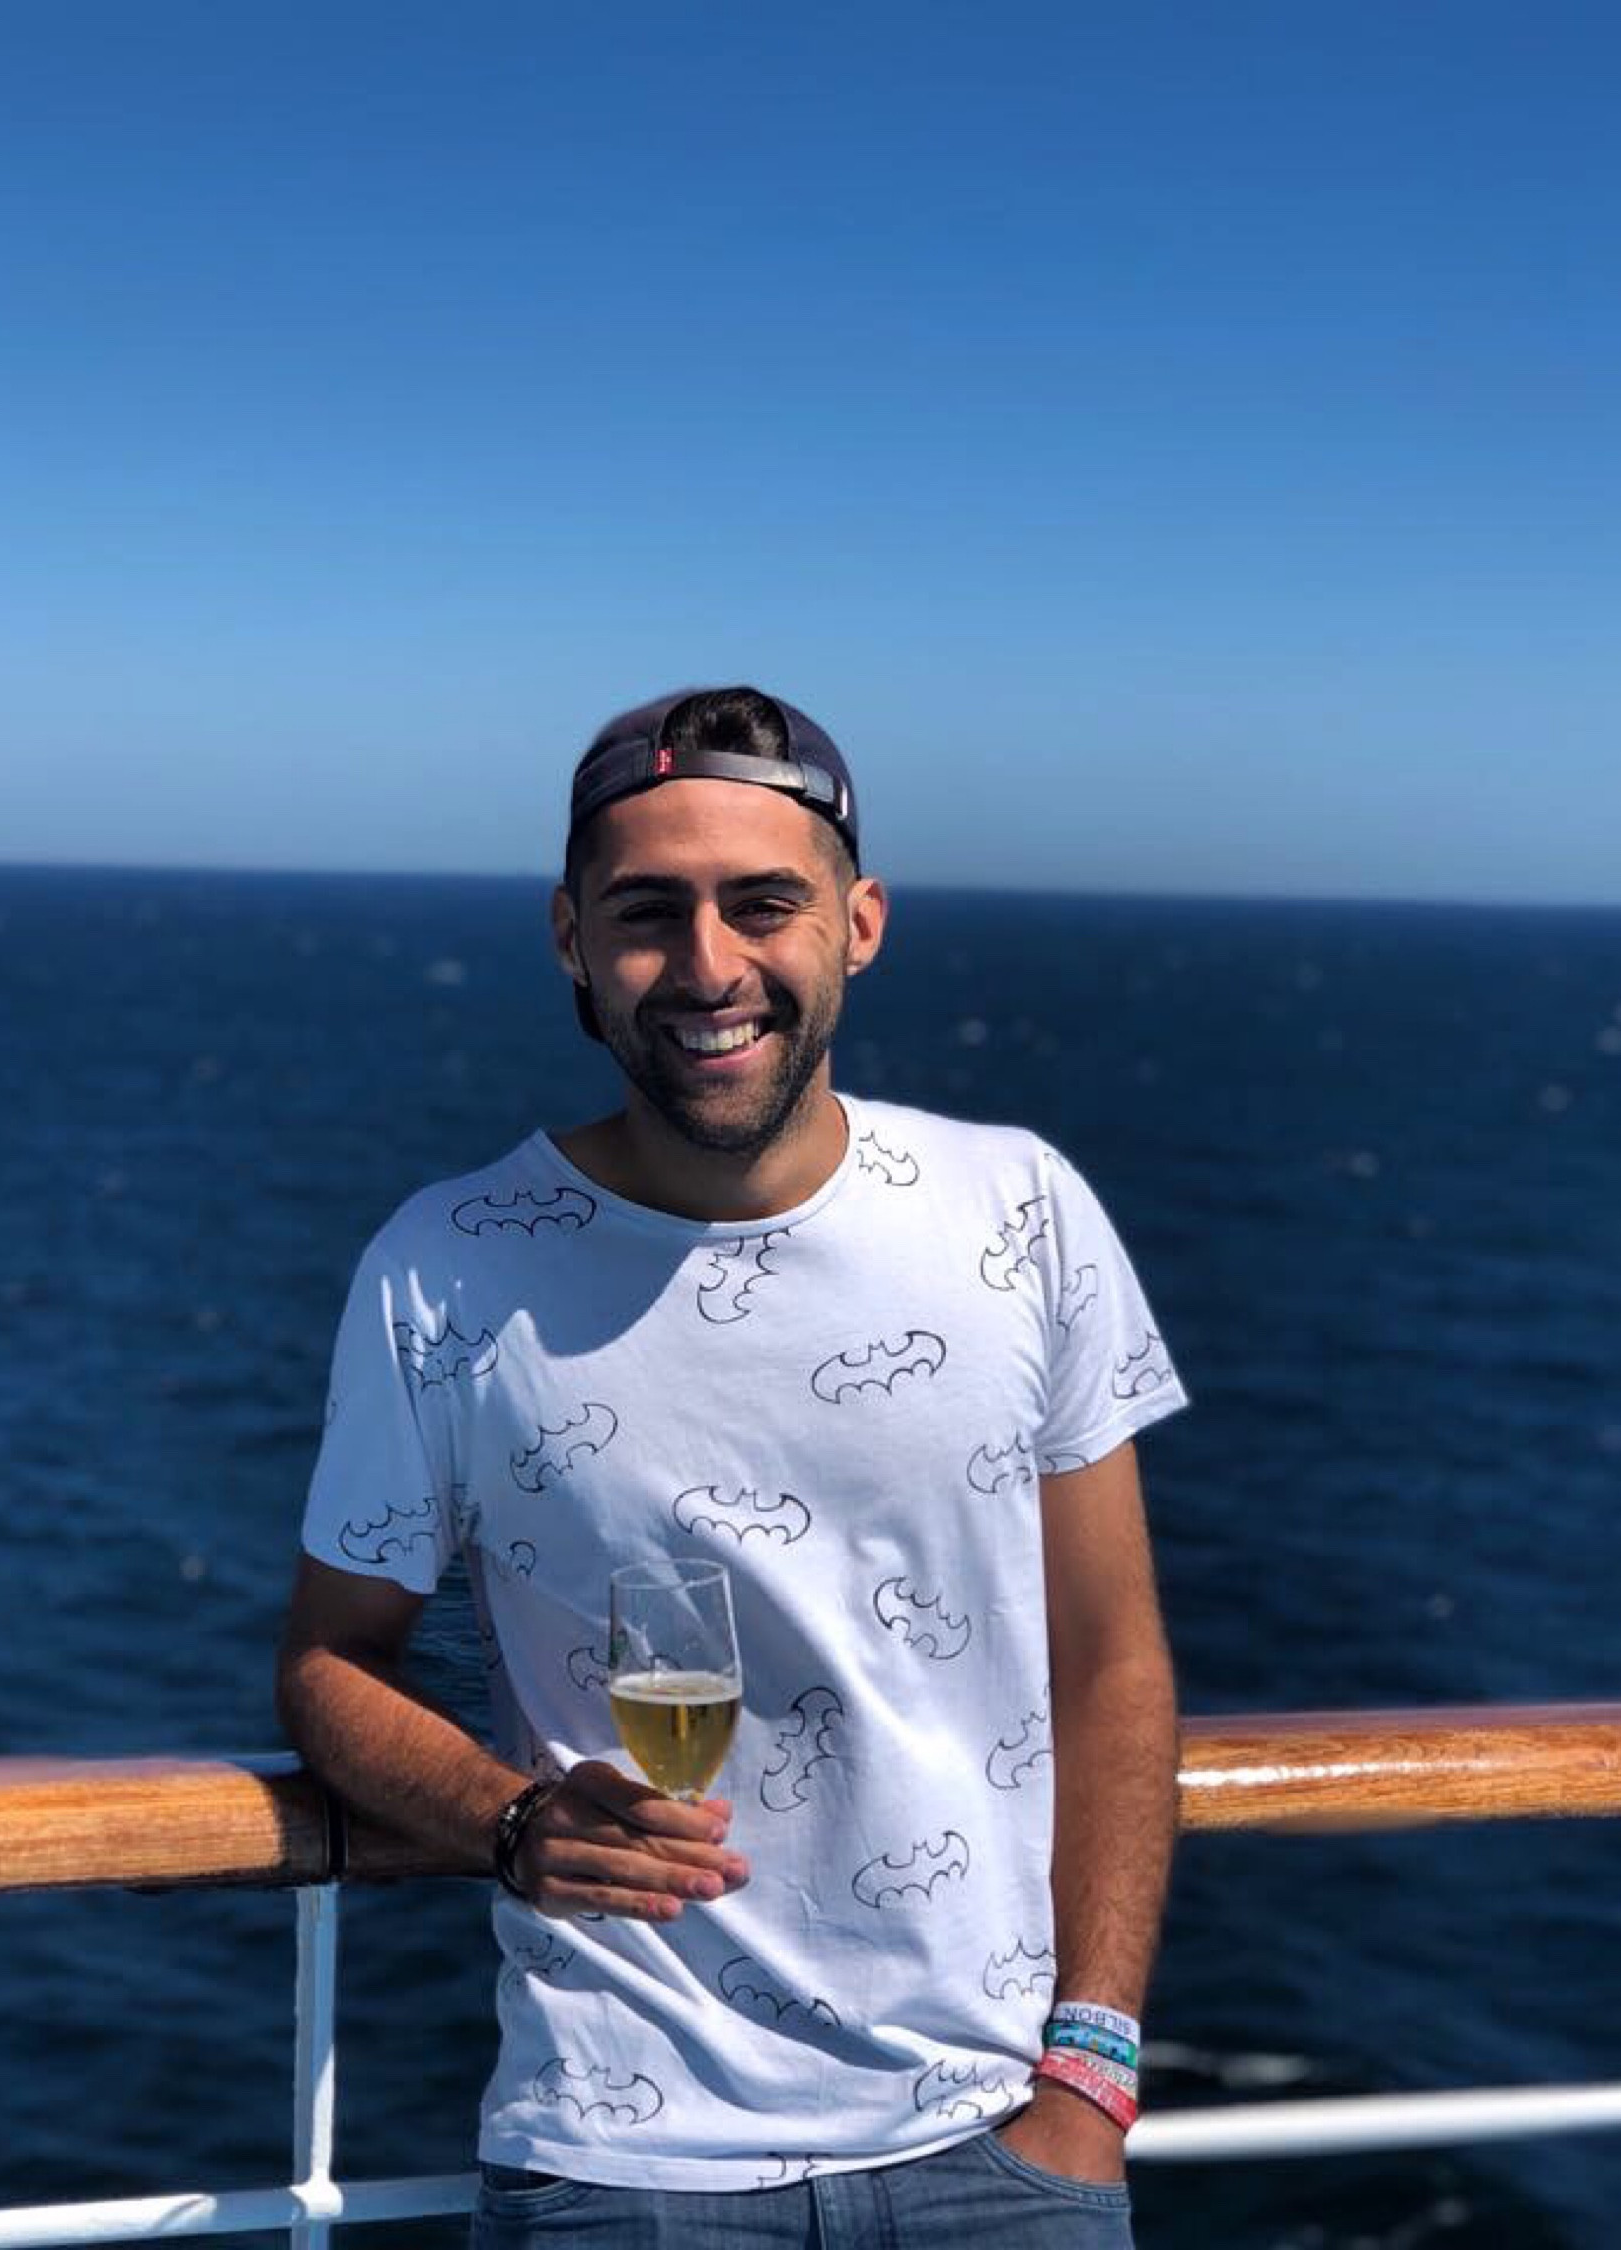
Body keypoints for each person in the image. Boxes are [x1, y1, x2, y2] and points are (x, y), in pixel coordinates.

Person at [278, 685, 1187, 2247]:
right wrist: (509, 1817)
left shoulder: (1019, 1211)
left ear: (860, 924)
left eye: (763, 903)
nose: (708, 966)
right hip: (622, 2170)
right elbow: (326, 1661)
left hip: (1000, 2152)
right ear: (571, 937)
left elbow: (1113, 1657)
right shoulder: (446, 1266)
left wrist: (1089, 2078)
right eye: (649, 911)